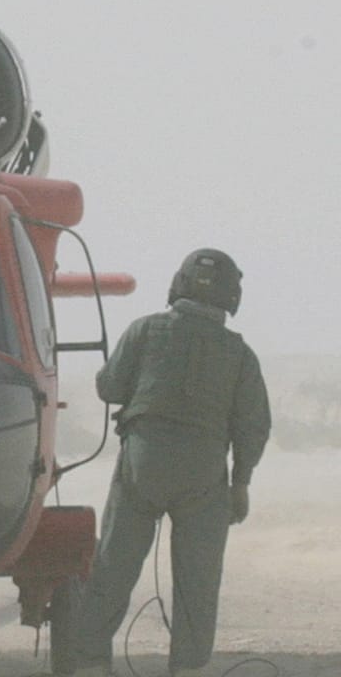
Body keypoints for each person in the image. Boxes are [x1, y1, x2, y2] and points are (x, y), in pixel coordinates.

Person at [69, 249, 270, 677]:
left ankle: (89, 663)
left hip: (142, 465)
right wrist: (240, 483)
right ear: (231, 296)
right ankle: (189, 668)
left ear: (180, 283)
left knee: (114, 567)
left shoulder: (144, 330)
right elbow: (253, 426)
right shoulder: (240, 354)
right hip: (204, 474)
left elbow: (109, 387)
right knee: (199, 580)